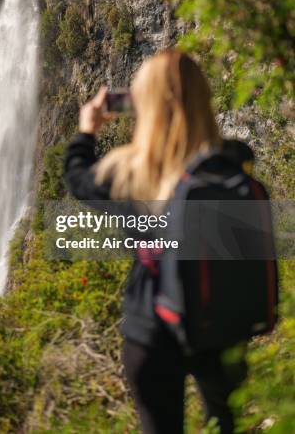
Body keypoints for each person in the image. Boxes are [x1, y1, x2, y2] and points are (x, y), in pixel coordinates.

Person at [63, 49, 251, 434]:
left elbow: (77, 179)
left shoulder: (128, 172)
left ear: (143, 106)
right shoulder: (231, 162)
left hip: (151, 327)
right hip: (218, 322)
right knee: (226, 422)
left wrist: (87, 130)